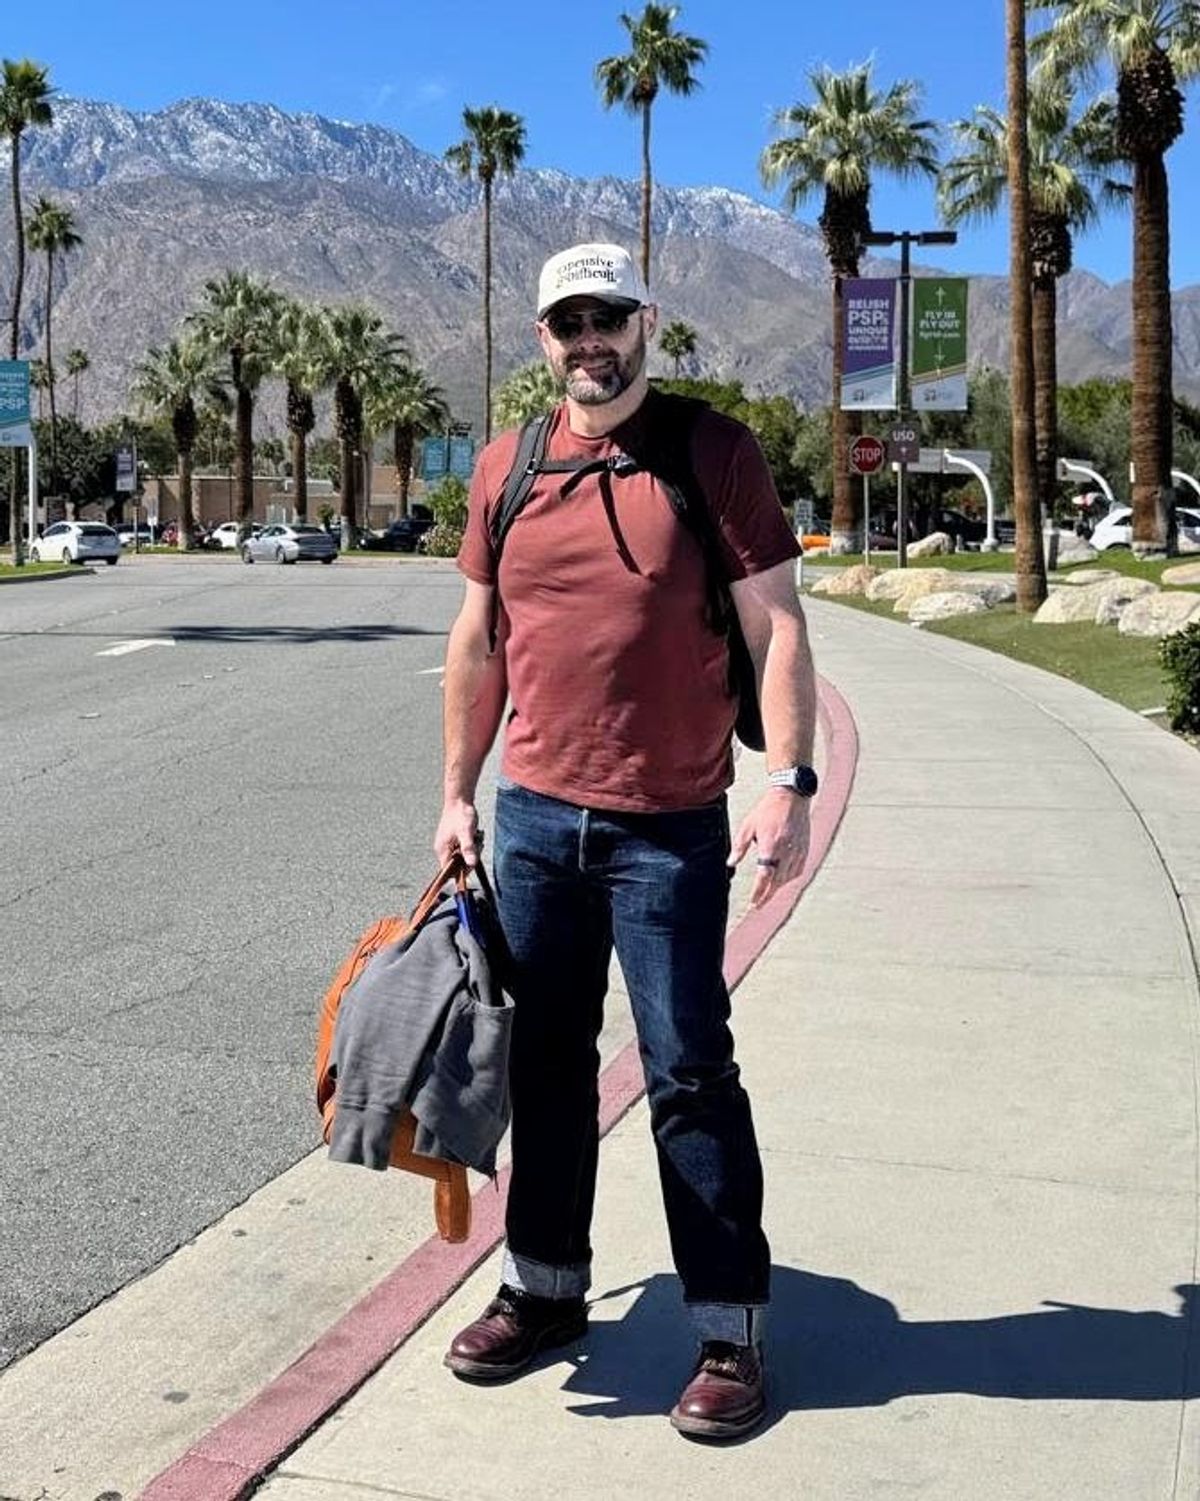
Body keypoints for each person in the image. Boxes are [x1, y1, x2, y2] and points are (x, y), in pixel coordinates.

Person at [434, 241, 818, 1440]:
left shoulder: (713, 452)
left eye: (607, 316)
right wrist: (456, 794)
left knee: (688, 1070)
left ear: (646, 323)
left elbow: (779, 628)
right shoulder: (508, 465)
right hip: (537, 818)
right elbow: (478, 638)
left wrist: (791, 781)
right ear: (543, 338)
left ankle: (727, 1330)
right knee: (543, 1066)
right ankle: (544, 1290)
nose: (588, 338)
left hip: (671, 827)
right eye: (567, 321)